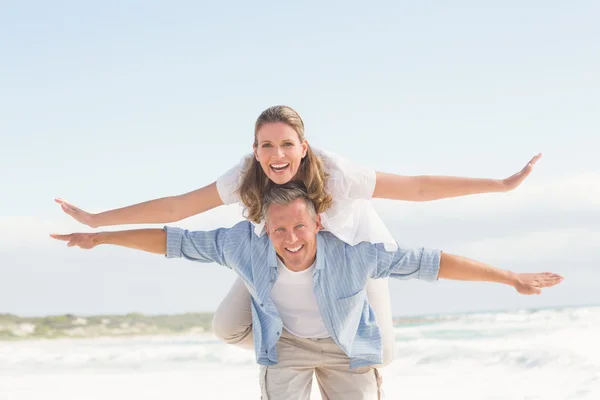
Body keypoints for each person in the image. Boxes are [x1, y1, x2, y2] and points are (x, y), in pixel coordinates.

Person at [54, 105, 542, 365]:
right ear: (256, 149)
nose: (277, 154)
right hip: (280, 258)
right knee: (227, 327)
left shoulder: (336, 173)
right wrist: (100, 221)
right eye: (267, 145)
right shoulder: (245, 175)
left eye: (287, 144)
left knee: (383, 354)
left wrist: (498, 184)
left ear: (303, 147)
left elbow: (415, 187)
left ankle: (327, 340)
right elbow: (179, 208)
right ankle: (300, 344)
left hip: (351, 265)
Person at [51, 182, 563, 400]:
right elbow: (172, 240)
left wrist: (510, 278)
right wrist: (103, 236)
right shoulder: (243, 244)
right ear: (264, 229)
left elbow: (435, 263)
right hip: (287, 347)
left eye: (299, 228)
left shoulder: (355, 252)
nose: (290, 240)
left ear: (318, 222)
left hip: (348, 349)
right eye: (278, 231)